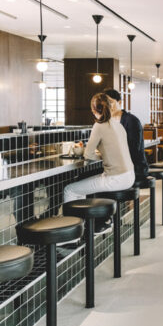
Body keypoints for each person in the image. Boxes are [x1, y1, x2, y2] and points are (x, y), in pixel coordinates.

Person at [63, 93, 135, 232]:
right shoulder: (118, 124)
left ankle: (71, 234)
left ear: (94, 110)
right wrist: (105, 157)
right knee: (82, 186)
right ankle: (84, 226)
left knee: (70, 190)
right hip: (129, 175)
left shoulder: (99, 125)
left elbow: (88, 155)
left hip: (116, 178)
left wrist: (98, 157)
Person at [103, 89, 149, 180]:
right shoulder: (108, 121)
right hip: (117, 167)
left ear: (119, 102)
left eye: (110, 102)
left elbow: (133, 149)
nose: (108, 106)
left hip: (135, 168)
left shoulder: (131, 120)